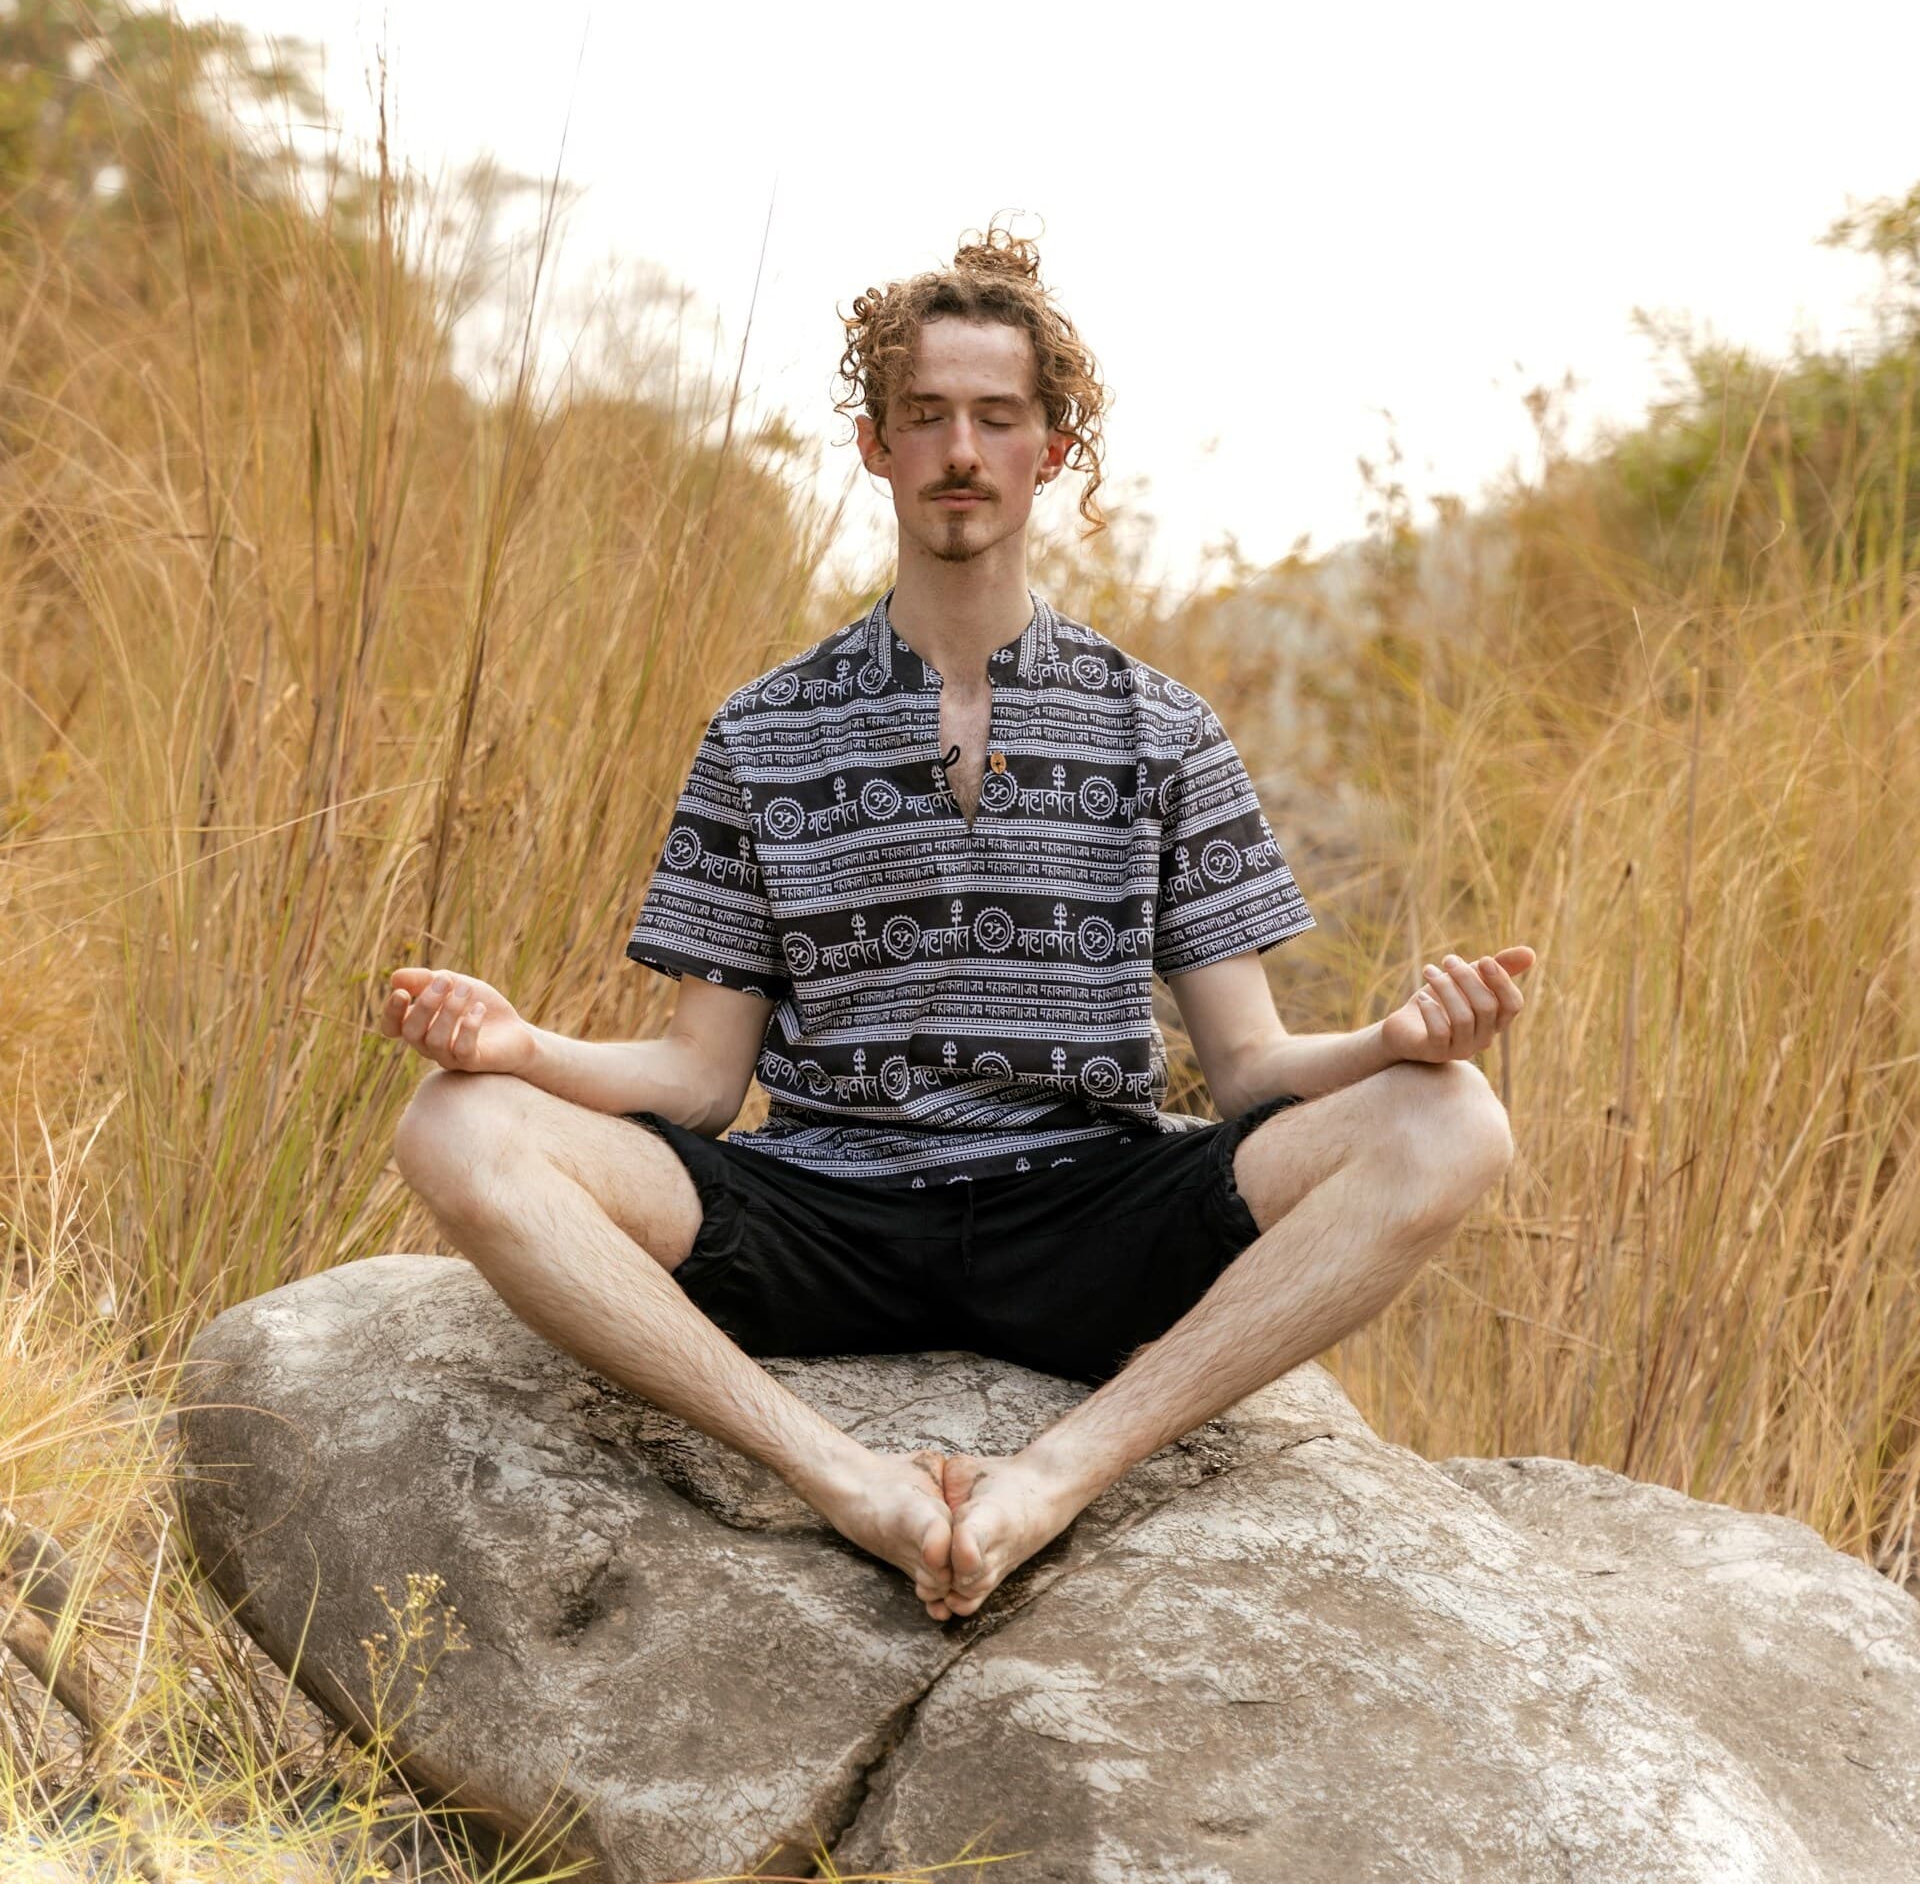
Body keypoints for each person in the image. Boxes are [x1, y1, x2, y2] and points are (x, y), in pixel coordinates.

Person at [381, 225, 1534, 1622]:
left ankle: (1055, 1473)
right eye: (926, 416)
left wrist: (1395, 1040)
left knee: (1452, 1116)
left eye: (998, 417)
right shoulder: (762, 729)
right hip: (825, 1210)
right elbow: (696, 1079)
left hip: (1089, 1212)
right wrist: (518, 1045)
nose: (961, 451)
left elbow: (1248, 1073)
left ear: (1055, 450)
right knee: (453, 1123)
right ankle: (850, 1481)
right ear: (875, 444)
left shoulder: (1160, 727)